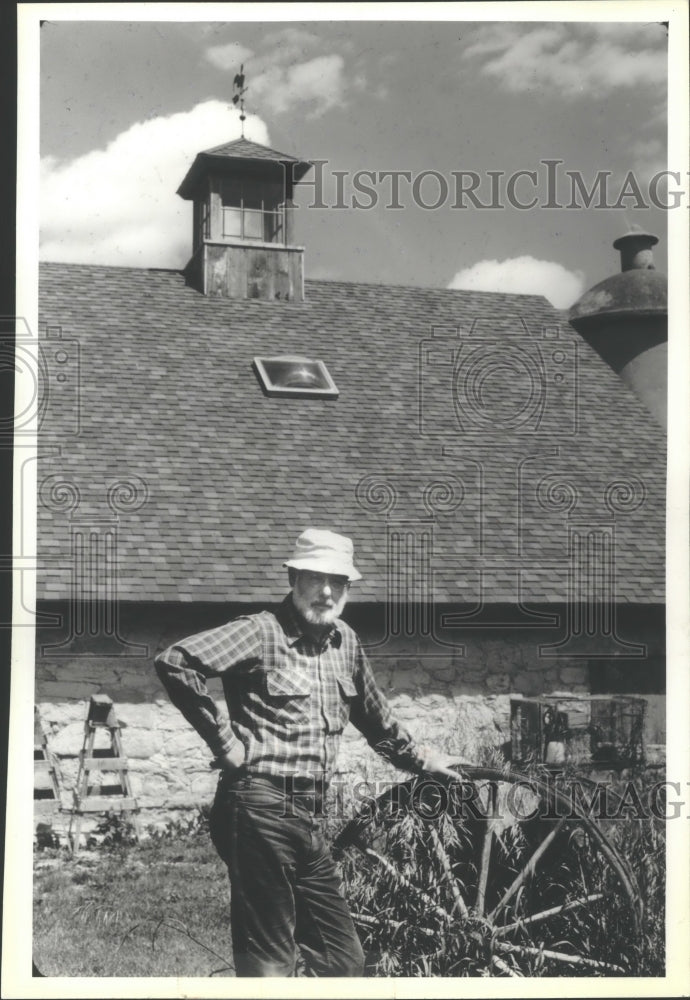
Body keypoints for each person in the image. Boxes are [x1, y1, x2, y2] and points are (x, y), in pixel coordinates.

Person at [155, 527, 457, 977]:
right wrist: (224, 741)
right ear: (294, 578)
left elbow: (374, 717)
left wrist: (422, 759)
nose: (328, 591)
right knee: (270, 961)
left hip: (309, 814)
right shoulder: (260, 632)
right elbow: (176, 661)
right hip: (257, 805)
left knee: (343, 959)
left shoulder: (345, 642)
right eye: (317, 578)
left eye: (340, 582)